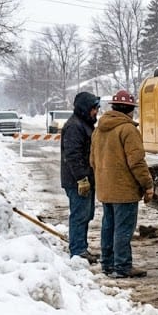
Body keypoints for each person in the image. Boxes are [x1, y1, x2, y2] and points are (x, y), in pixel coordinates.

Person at [90, 90, 155, 278]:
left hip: (106, 190)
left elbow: (92, 160)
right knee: (123, 230)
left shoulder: (99, 130)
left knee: (108, 227)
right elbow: (137, 162)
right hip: (124, 191)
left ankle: (108, 265)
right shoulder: (128, 130)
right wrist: (147, 185)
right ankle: (123, 266)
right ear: (130, 110)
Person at [59, 91, 101, 264]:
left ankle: (81, 247)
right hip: (77, 181)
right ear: (85, 108)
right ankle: (77, 251)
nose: (96, 112)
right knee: (79, 215)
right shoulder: (75, 126)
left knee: (86, 214)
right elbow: (73, 155)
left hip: (85, 179)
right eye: (94, 108)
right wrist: (82, 179)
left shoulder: (84, 124)